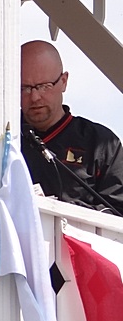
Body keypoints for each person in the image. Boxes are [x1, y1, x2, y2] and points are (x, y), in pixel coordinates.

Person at [20, 40, 123, 215]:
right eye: (25, 88)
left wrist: (64, 210)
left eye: (44, 86)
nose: (35, 97)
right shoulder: (0, 139)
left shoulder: (102, 143)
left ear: (64, 81)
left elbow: (118, 210)